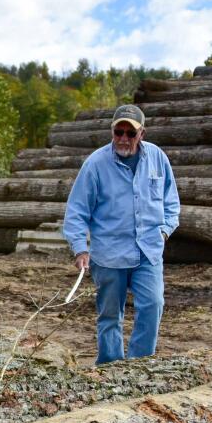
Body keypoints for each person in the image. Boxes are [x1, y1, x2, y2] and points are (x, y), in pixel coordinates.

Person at [63, 103, 180, 365]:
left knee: (152, 305)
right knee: (109, 315)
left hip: (148, 250)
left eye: (130, 133)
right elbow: (77, 210)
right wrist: (80, 248)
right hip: (109, 255)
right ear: (112, 132)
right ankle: (110, 367)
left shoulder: (158, 159)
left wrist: (164, 231)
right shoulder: (95, 164)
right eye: (119, 132)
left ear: (142, 134)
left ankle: (139, 365)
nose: (123, 139)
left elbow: (171, 201)